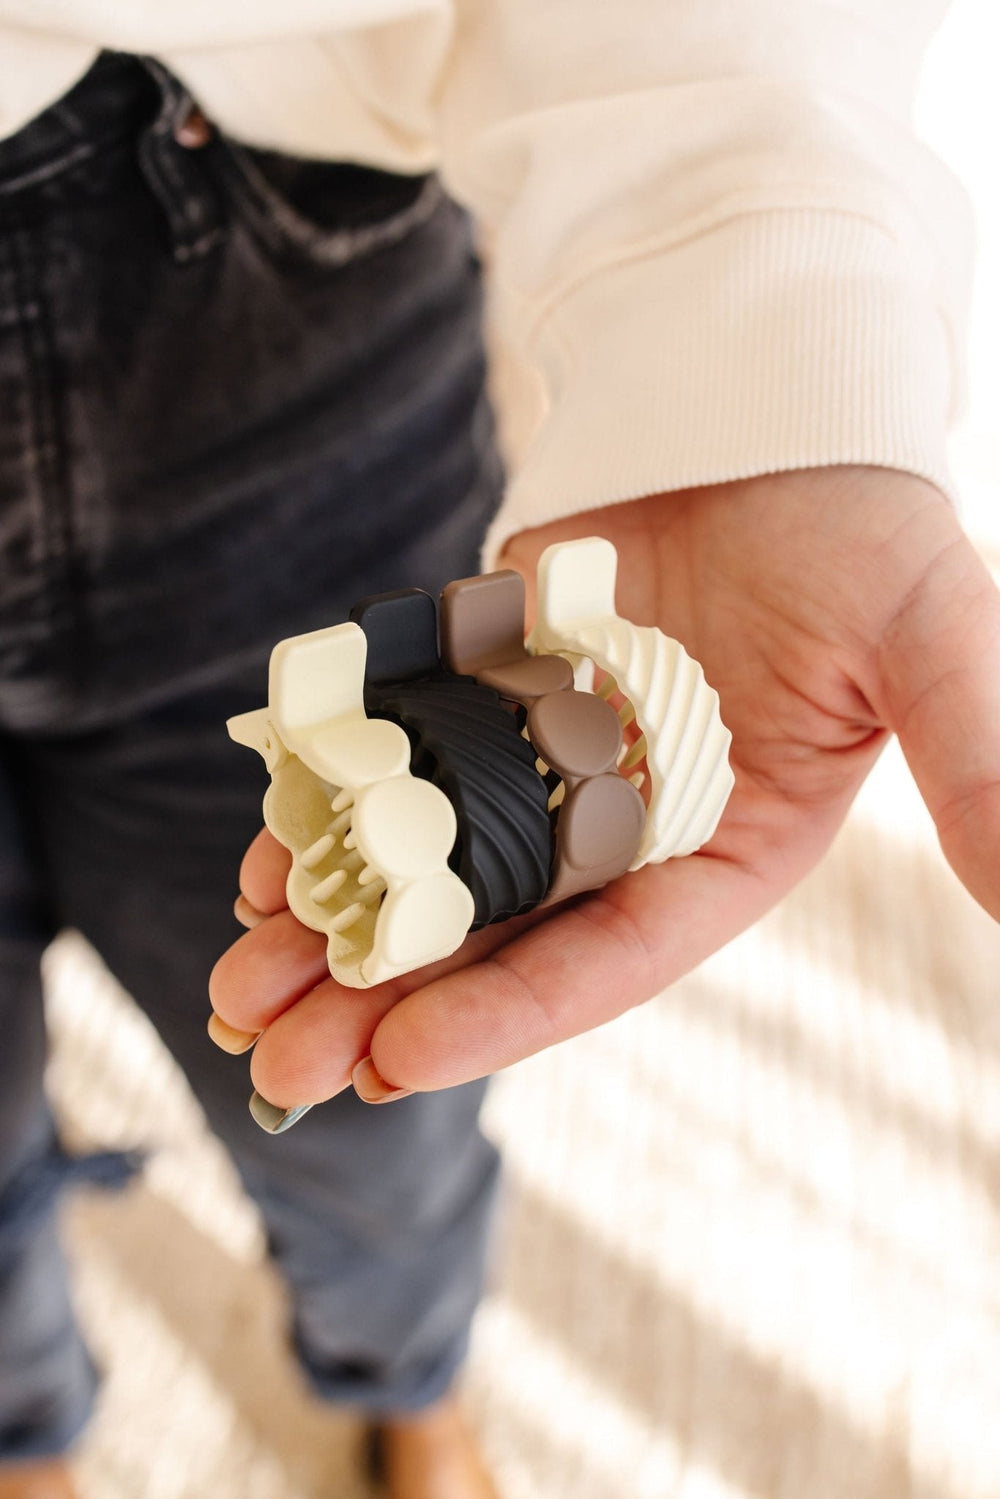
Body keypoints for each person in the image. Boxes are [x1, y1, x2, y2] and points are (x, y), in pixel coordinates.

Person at [1, 5, 997, 1498]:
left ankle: (409, 1377)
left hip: (252, 251)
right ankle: (27, 1434)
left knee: (370, 1127)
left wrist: (763, 319)